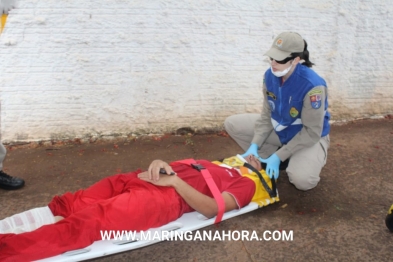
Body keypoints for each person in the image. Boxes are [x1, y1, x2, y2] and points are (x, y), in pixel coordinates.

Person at [0, 155, 278, 261]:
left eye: (259, 160)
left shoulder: (249, 184)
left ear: (261, 169)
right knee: (71, 203)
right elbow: (175, 168)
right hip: (146, 178)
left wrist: (175, 183)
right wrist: (159, 162)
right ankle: (23, 227)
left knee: (87, 223)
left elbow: (211, 209)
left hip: (165, 199)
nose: (253, 156)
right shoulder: (218, 163)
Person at [224, 31, 330, 191]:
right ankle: (272, 157)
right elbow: (267, 115)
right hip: (282, 130)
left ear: (295, 60)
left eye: (279, 59)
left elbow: (312, 132)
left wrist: (279, 155)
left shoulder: (313, 87)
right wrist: (255, 144)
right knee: (232, 124)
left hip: (308, 136)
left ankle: (285, 156)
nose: (273, 63)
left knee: (303, 181)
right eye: (271, 57)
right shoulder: (270, 76)